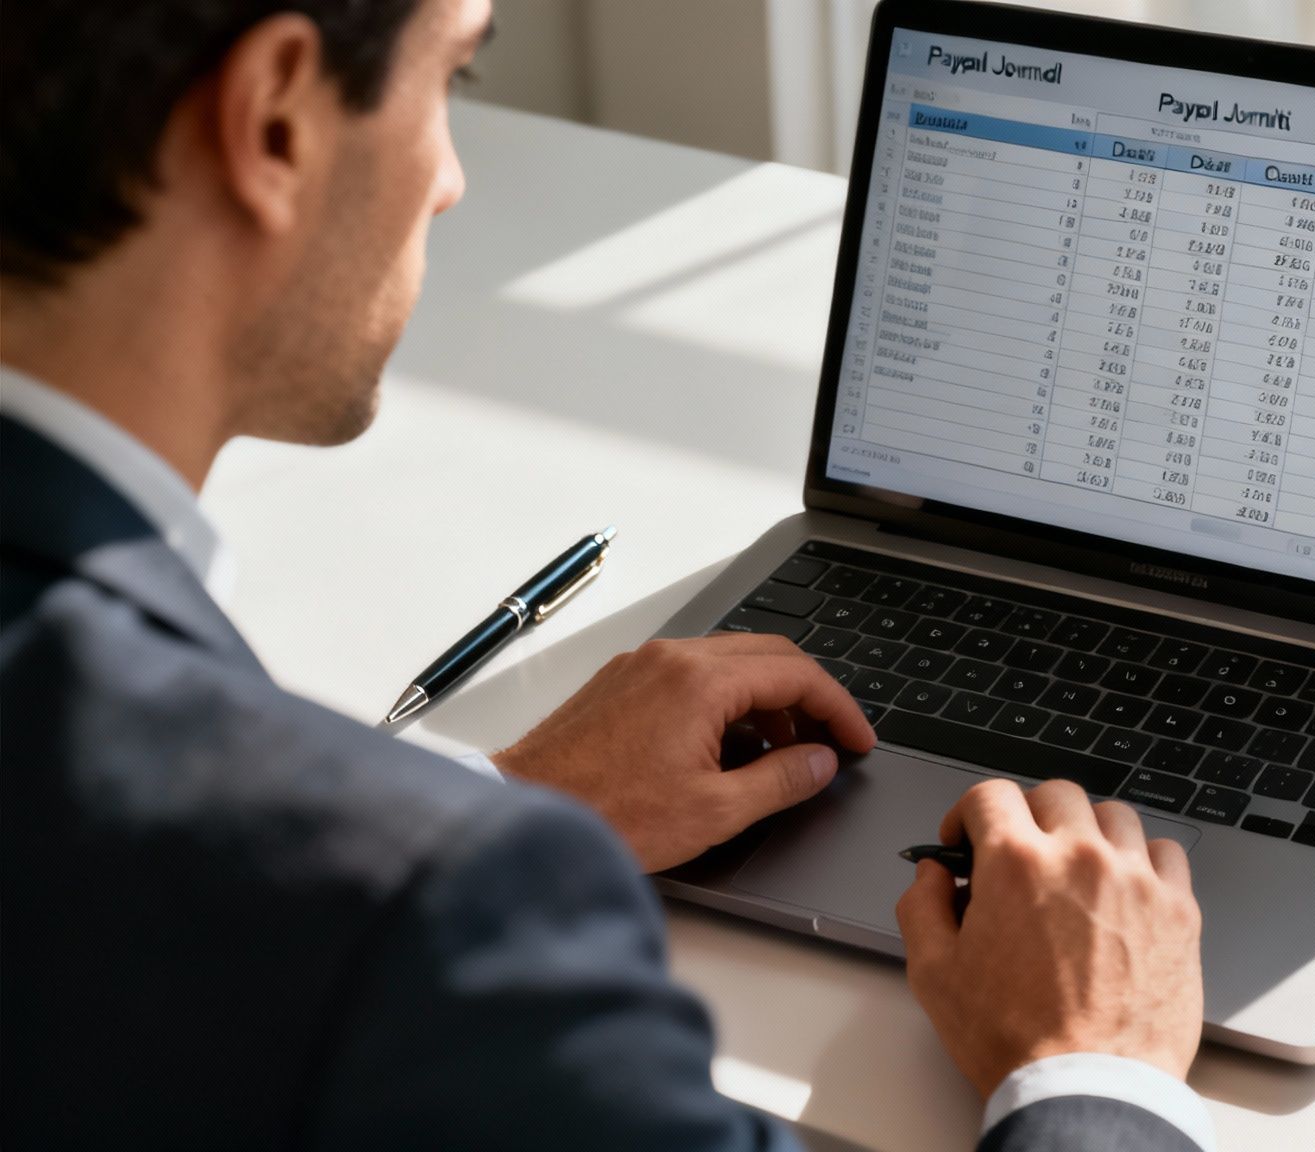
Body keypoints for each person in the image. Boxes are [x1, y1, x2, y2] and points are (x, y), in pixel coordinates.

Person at [0, 2, 1213, 1148]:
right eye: (454, 74)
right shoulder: (424, 929)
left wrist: (503, 790)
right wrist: (1096, 1064)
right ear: (275, 121)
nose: (451, 181)